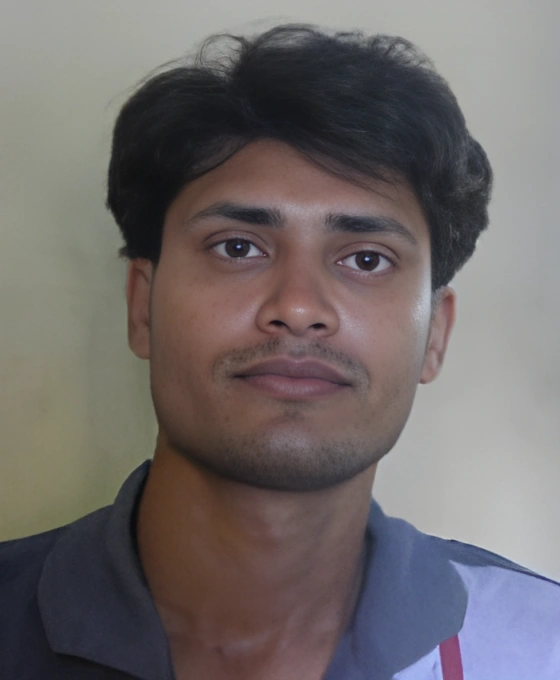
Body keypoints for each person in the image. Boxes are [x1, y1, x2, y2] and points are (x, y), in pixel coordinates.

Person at [1, 23, 558, 680]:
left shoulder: (540, 645)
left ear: (435, 333)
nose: (297, 306)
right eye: (238, 247)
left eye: (366, 259)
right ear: (141, 305)